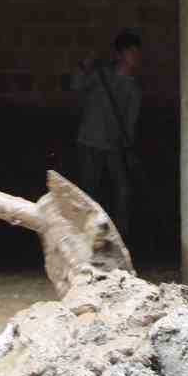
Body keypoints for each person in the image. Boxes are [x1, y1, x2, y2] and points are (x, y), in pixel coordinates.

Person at [70, 31, 142, 241]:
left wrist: (127, 145)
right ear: (119, 55)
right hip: (89, 142)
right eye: (131, 53)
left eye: (137, 53)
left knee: (123, 190)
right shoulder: (101, 75)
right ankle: (86, 236)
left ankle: (120, 236)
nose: (135, 58)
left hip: (114, 146)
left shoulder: (134, 89)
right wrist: (85, 65)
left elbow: (130, 123)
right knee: (88, 191)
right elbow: (76, 86)